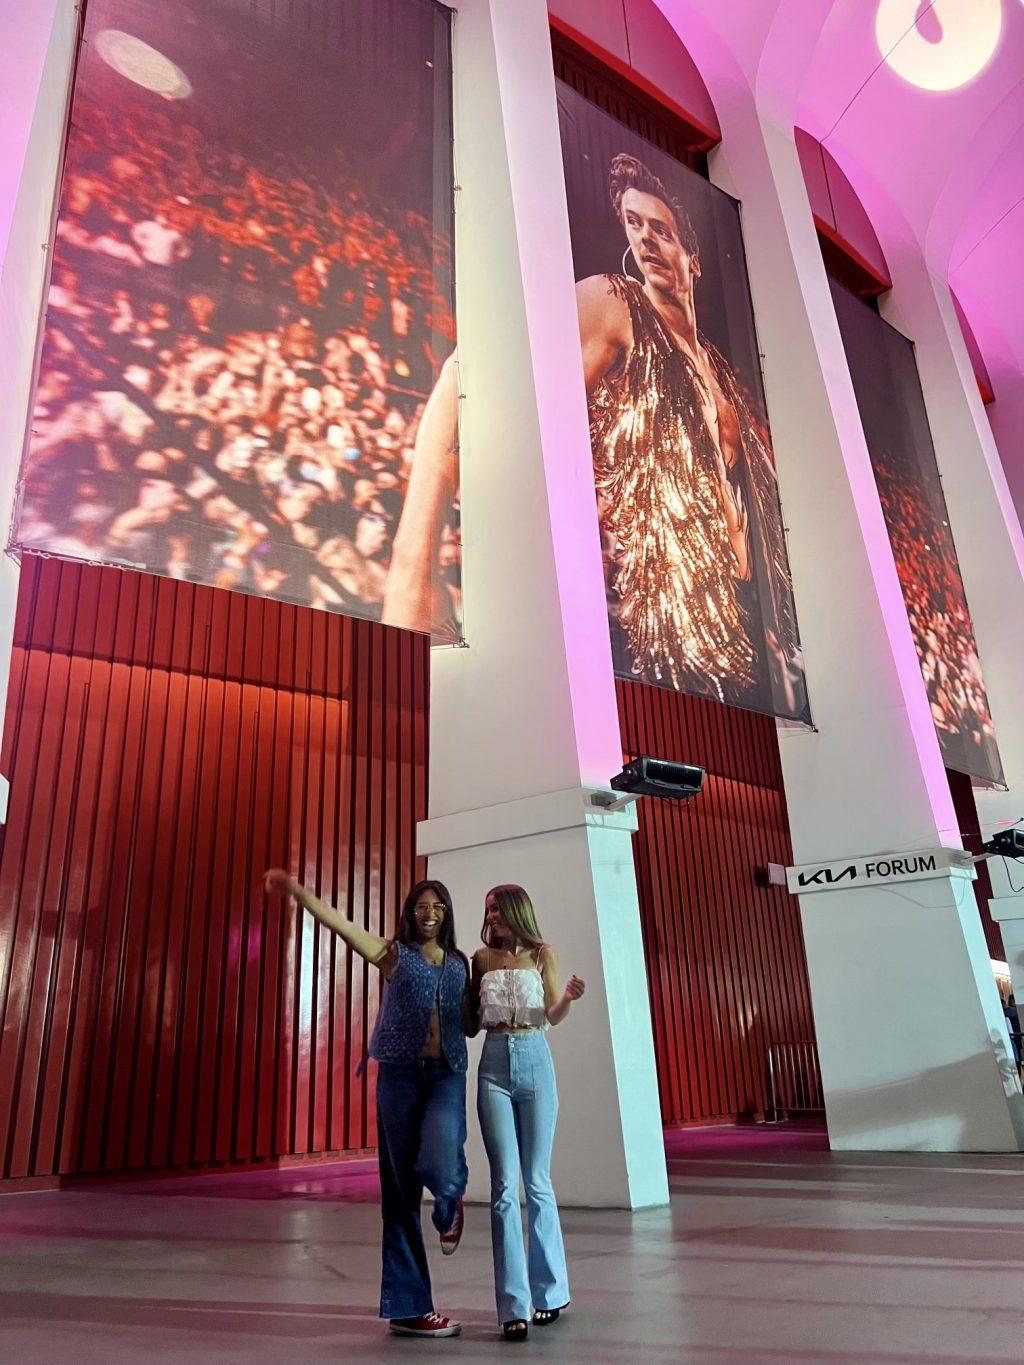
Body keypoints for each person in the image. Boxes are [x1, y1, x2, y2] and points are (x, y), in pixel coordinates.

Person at [575, 152, 801, 709]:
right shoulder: (615, 302)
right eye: (633, 224)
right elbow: (521, 390)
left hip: (745, 620)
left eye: (661, 230)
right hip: (658, 621)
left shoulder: (721, 371)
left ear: (692, 259)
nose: (645, 239)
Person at [264, 870, 469, 1339]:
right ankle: (408, 1308)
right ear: (410, 911)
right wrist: (297, 893)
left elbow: (472, 1017)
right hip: (399, 1076)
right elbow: (340, 924)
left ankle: (450, 1206)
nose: (429, 913)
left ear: (448, 913)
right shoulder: (395, 954)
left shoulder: (459, 962)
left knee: (441, 1163)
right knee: (399, 1195)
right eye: (422, 905)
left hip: (446, 1074)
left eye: (438, 906)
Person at [469, 884, 585, 1342]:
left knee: (536, 1181)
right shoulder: (479, 960)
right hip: (494, 1064)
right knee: (502, 1187)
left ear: (516, 910)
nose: (491, 914)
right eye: (487, 909)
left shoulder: (543, 954)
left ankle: (551, 1294)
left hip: (536, 1059)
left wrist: (569, 998)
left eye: (497, 907)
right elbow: (469, 1020)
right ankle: (512, 1306)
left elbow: (552, 1014)